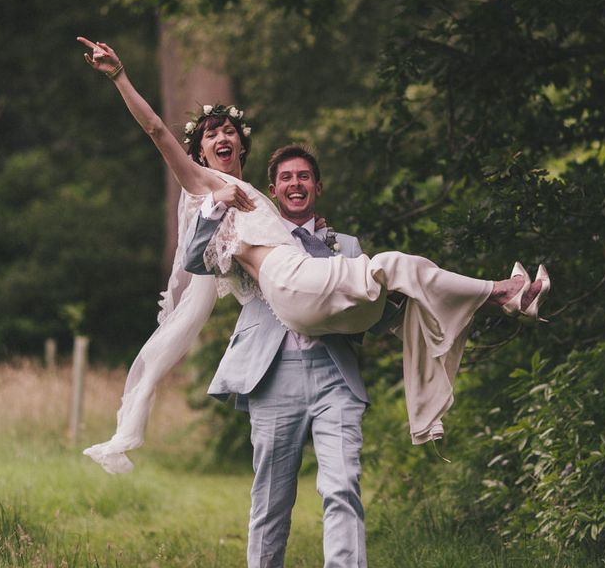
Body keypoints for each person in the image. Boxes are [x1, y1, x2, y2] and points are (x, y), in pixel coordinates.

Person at [77, 35, 550, 471]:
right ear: (199, 152)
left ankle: (448, 385)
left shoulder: (257, 194)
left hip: (311, 297)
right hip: (285, 284)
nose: (220, 137)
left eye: (228, 131)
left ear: (242, 141)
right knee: (395, 265)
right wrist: (119, 76)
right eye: (209, 134)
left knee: (403, 287)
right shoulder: (207, 188)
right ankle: (503, 293)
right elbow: (159, 131)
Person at [182, 140, 405, 568]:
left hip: (334, 375)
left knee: (343, 488)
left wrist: (415, 312)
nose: (295, 184)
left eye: (303, 176)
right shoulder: (250, 230)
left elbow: (365, 304)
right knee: (271, 500)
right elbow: (193, 260)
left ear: (317, 187)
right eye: (286, 178)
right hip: (271, 373)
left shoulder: (346, 245)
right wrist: (215, 204)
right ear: (273, 189)